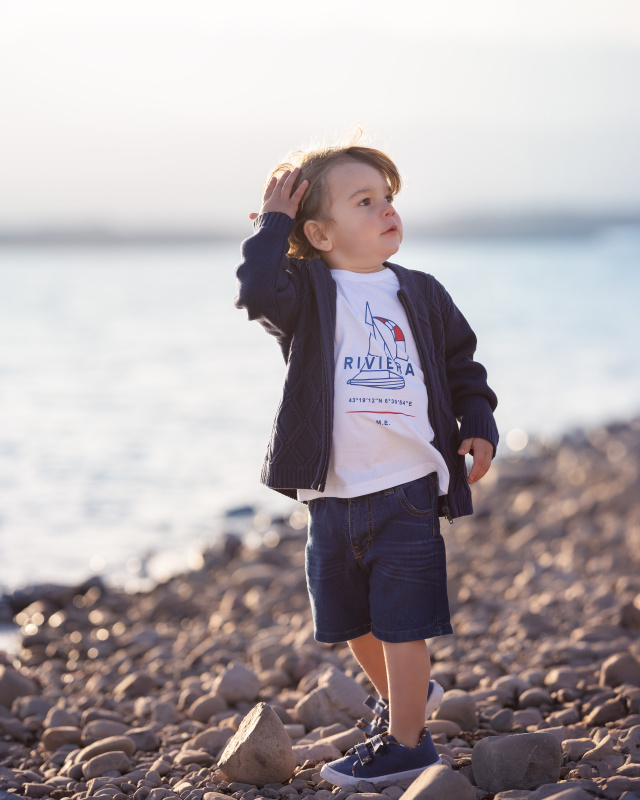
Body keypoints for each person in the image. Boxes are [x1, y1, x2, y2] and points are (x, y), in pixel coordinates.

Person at [234, 143, 498, 786]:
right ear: (319, 233)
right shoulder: (308, 296)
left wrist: (480, 425)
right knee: (350, 621)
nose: (385, 211)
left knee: (404, 622)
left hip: (407, 487)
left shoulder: (423, 293)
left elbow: (465, 368)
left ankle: (409, 744)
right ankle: (411, 700)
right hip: (332, 492)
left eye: (388, 199)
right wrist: (275, 221)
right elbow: (255, 289)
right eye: (364, 202)